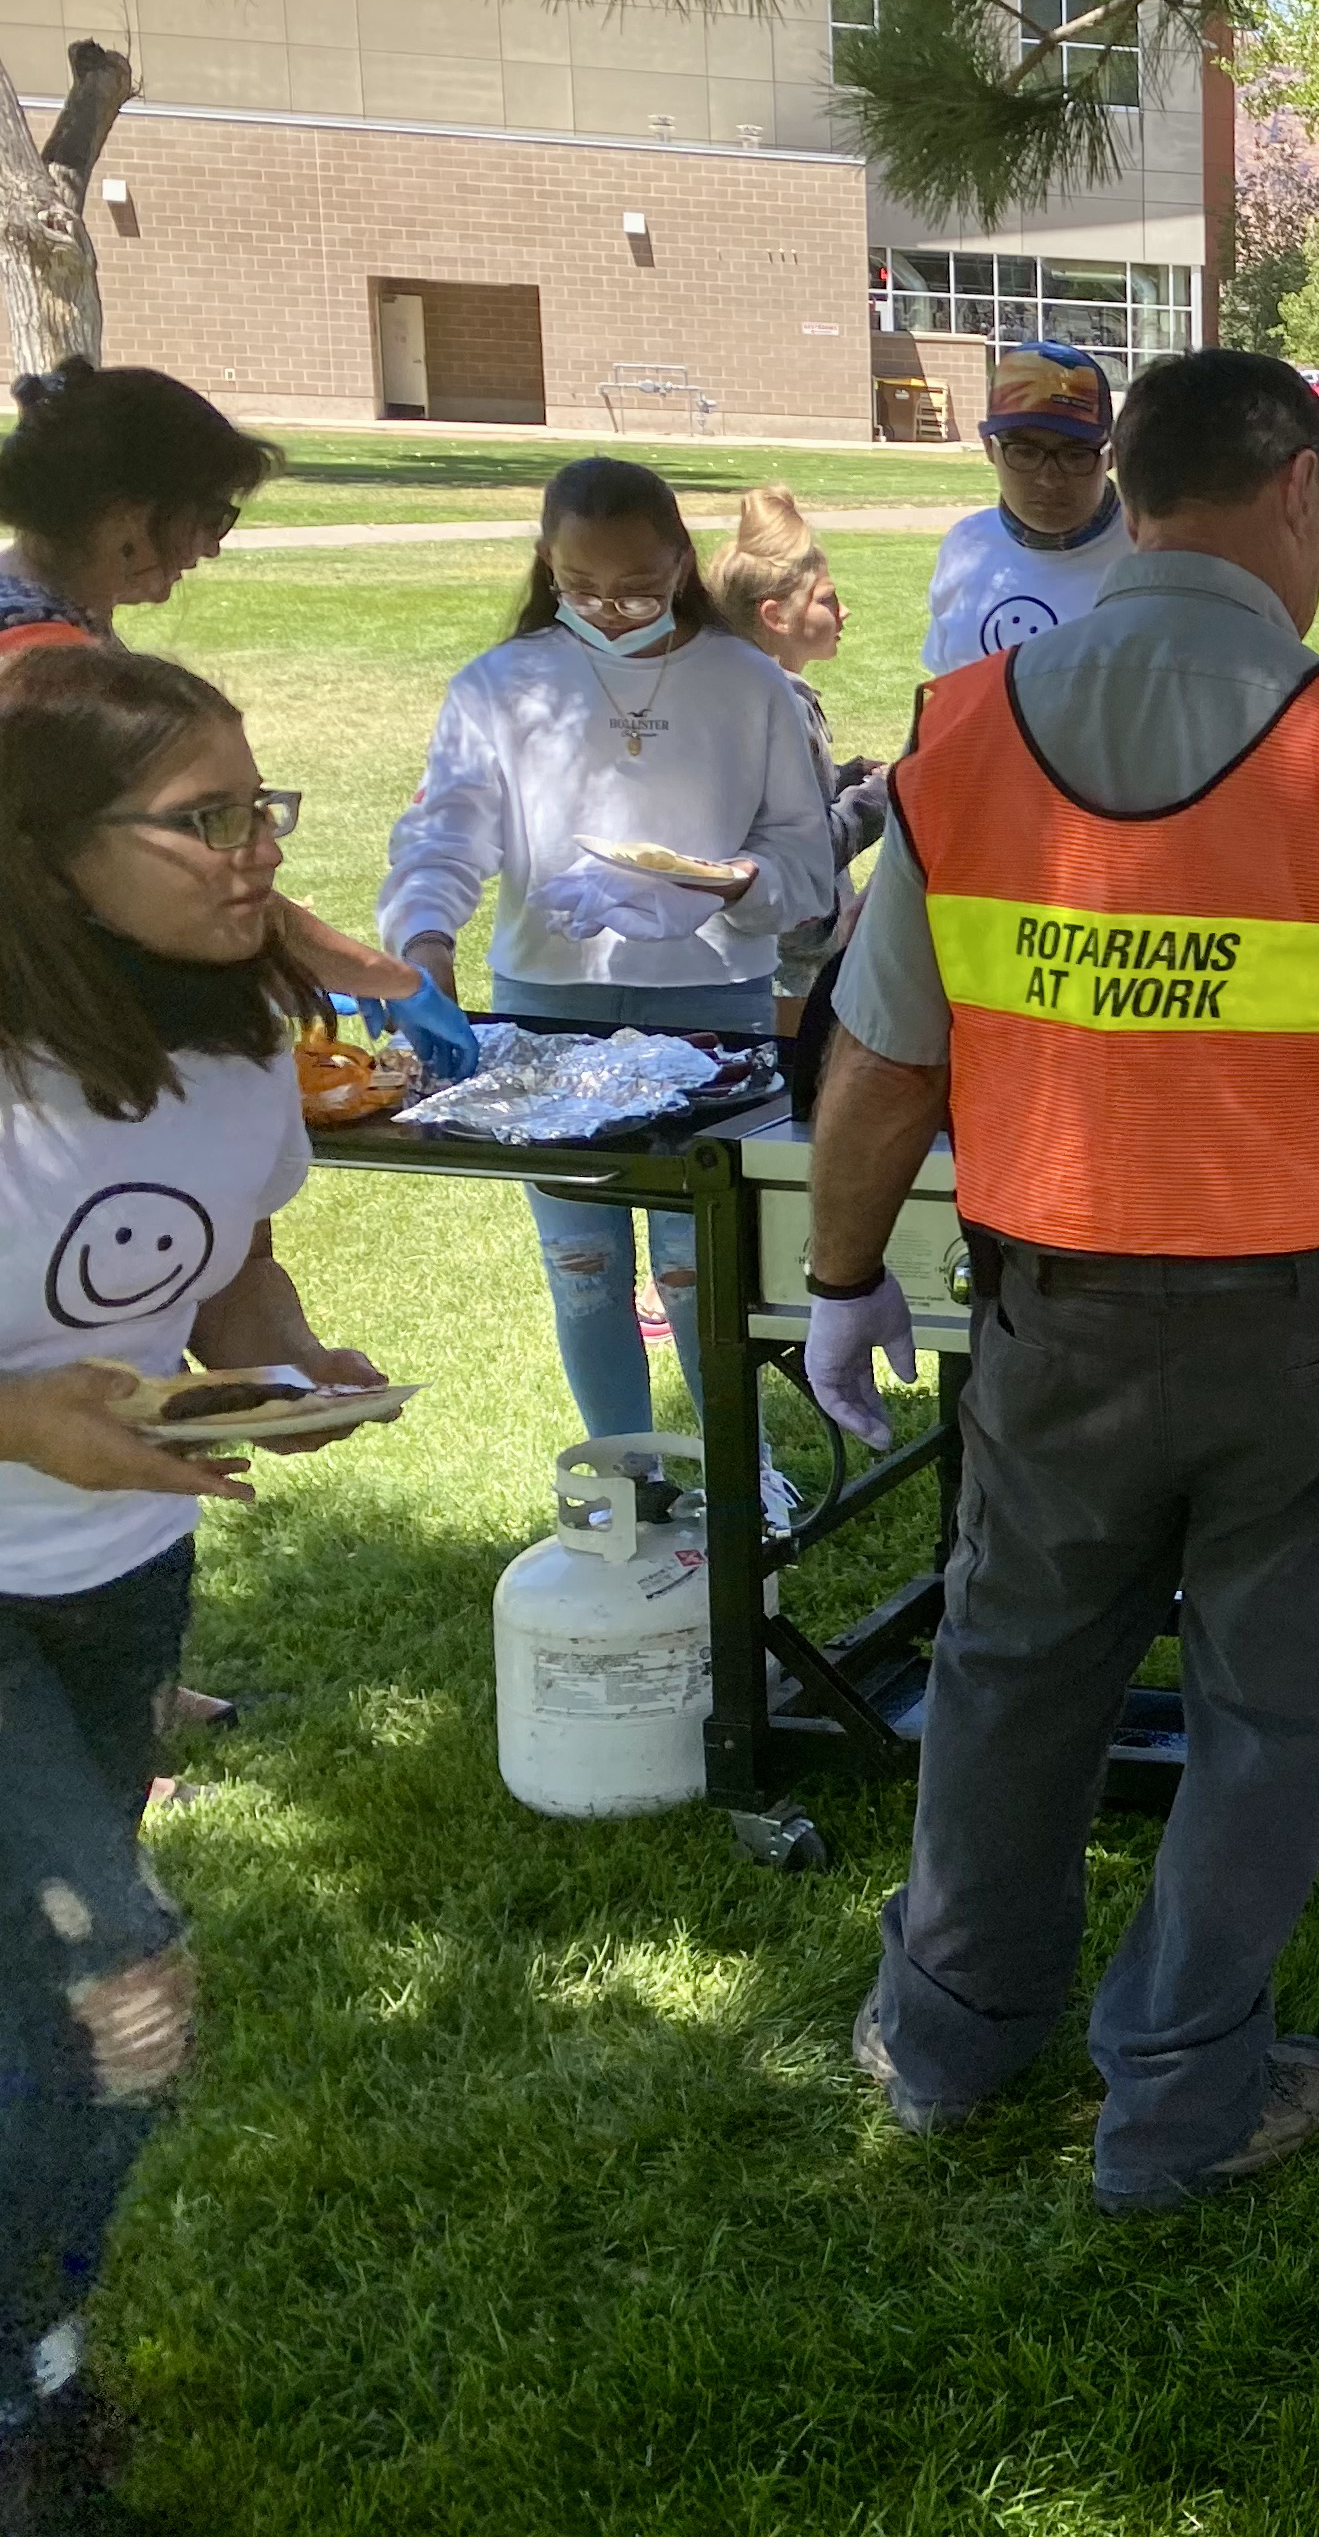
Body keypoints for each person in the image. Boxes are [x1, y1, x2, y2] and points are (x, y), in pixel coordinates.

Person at [798, 349, 1319, 2215]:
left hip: (1049, 1309)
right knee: (1267, 1709)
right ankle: (1179, 2098)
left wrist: (836, 1278)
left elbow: (886, 1062)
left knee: (1006, 1672)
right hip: (1302, 1322)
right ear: (1300, 484)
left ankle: (949, 2031)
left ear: (1129, 484)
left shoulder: (960, 726)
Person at [0, 646, 394, 2514]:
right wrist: (24, 1424)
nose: (254, 852)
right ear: (51, 849)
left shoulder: (240, 1023)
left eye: (262, 807)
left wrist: (293, 1365)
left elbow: (227, 1264)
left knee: (45, 2003)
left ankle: (34, 2357)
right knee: (118, 1971)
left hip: (124, 1570)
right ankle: (22, 2395)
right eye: (203, 818)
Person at [379, 459, 836, 1446]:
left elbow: (806, 860)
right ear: (548, 566)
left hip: (712, 997)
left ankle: (733, 1470)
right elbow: (448, 830)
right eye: (583, 588)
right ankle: (625, 1467)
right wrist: (424, 941)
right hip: (553, 997)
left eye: (635, 586)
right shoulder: (504, 685)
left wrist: (725, 884)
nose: (613, 610)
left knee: (696, 1264)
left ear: (681, 559)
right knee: (583, 1268)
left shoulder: (749, 684)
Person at [0, 360, 460, 1049]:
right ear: (129, 518)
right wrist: (385, 977)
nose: (213, 547)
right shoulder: (45, 666)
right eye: (210, 515)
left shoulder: (46, 621)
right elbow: (193, 862)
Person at [710, 488, 888, 1036]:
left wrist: (842, 780)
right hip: (790, 970)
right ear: (776, 616)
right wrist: (884, 795)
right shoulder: (784, 703)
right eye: (828, 600)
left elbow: (777, 807)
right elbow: (807, 846)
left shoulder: (731, 690)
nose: (844, 611)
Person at [921, 343, 1130, 673]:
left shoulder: (1150, 558)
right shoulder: (966, 546)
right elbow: (947, 691)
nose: (1049, 479)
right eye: (1025, 452)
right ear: (989, 448)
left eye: (1075, 454)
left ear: (1111, 454)